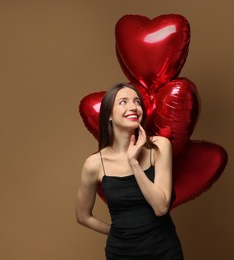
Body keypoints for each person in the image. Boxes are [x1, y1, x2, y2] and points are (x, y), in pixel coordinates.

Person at [76, 83, 184, 259]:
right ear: (109, 115)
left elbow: (161, 207)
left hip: (164, 250)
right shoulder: (94, 164)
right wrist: (118, 233)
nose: (133, 107)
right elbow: (82, 216)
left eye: (137, 102)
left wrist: (133, 163)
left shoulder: (160, 146)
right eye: (123, 102)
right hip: (122, 254)